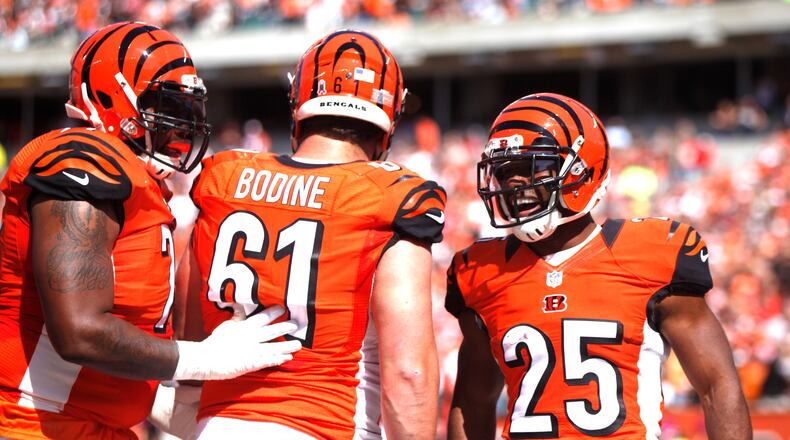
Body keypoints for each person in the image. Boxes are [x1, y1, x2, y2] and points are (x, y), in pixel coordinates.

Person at [0, 21, 300, 440]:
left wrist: (179, 410)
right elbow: (78, 331)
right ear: (112, 96)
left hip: (92, 424)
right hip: (32, 425)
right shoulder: (82, 160)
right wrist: (203, 359)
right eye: (166, 107)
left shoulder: (138, 183)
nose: (179, 126)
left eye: (185, 110)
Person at [176, 29, 445, 439]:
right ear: (388, 120)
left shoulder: (223, 178)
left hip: (215, 427)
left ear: (298, 104)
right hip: (326, 424)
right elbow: (409, 372)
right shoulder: (390, 195)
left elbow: (191, 340)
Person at [445, 93, 751, 439]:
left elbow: (718, 386)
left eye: (531, 167)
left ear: (582, 169)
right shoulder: (483, 271)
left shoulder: (650, 254)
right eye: (505, 171)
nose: (514, 182)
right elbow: (473, 403)